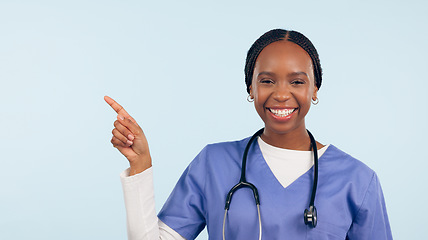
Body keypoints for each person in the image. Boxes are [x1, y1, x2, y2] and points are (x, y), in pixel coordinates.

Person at [105, 29, 393, 240]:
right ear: (250, 88)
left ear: (314, 89)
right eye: (267, 81)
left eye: (297, 81)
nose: (281, 94)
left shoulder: (357, 180)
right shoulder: (213, 164)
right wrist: (140, 164)